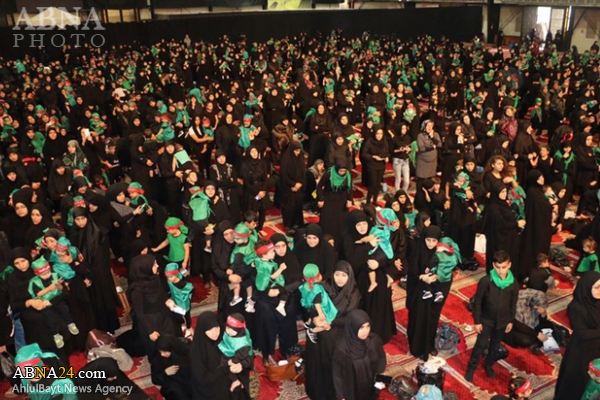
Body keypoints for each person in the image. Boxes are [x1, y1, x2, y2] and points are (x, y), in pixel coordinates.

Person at [465, 250, 519, 382]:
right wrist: (477, 321)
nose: (501, 271)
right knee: (480, 345)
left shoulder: (513, 283)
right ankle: (471, 368)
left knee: (494, 345)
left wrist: (510, 320)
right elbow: (478, 302)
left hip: (502, 321)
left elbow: (513, 303)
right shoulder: (486, 281)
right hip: (486, 320)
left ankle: (488, 365)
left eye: (504, 267)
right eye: (498, 267)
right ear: (494, 265)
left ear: (509, 265)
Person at [554, 272, 600, 400]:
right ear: (587, 287)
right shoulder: (576, 307)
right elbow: (582, 333)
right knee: (578, 381)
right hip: (582, 349)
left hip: (597, 345)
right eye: (597, 287)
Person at [331, 309, 386, 400]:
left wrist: (380, 376)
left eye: (368, 326)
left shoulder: (373, 341)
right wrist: (341, 396)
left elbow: (381, 358)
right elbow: (337, 374)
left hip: (371, 385)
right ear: (352, 327)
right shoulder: (342, 349)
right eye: (361, 327)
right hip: (353, 390)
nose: (365, 331)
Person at [189, 312, 231, 400]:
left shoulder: (222, 339)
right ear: (203, 330)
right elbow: (202, 379)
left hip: (224, 380)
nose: (215, 333)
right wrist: (225, 368)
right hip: (208, 390)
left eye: (216, 328)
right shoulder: (196, 351)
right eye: (210, 329)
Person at [218, 313, 254, 398]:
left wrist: (233, 361)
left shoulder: (242, 344)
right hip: (230, 351)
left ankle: (235, 380)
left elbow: (241, 356)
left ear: (238, 330)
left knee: (225, 366)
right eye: (227, 327)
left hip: (241, 359)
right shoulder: (233, 333)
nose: (228, 331)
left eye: (231, 329)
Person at [151, 334, 193, 400]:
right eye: (160, 351)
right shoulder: (158, 360)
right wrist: (165, 373)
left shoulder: (185, 352)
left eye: (165, 351)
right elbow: (155, 379)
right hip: (173, 386)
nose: (162, 354)